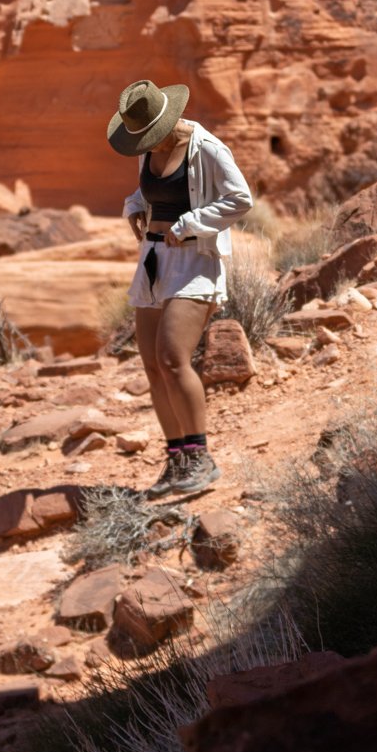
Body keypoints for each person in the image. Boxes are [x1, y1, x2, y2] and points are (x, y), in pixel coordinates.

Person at [108, 77, 253, 498]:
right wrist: (135, 206)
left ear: (167, 121)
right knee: (153, 365)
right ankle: (178, 460)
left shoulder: (205, 148)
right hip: (153, 261)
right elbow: (150, 190)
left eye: (151, 136)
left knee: (173, 358)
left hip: (193, 261)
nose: (145, 144)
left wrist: (190, 225)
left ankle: (201, 456)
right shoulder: (146, 148)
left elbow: (239, 198)